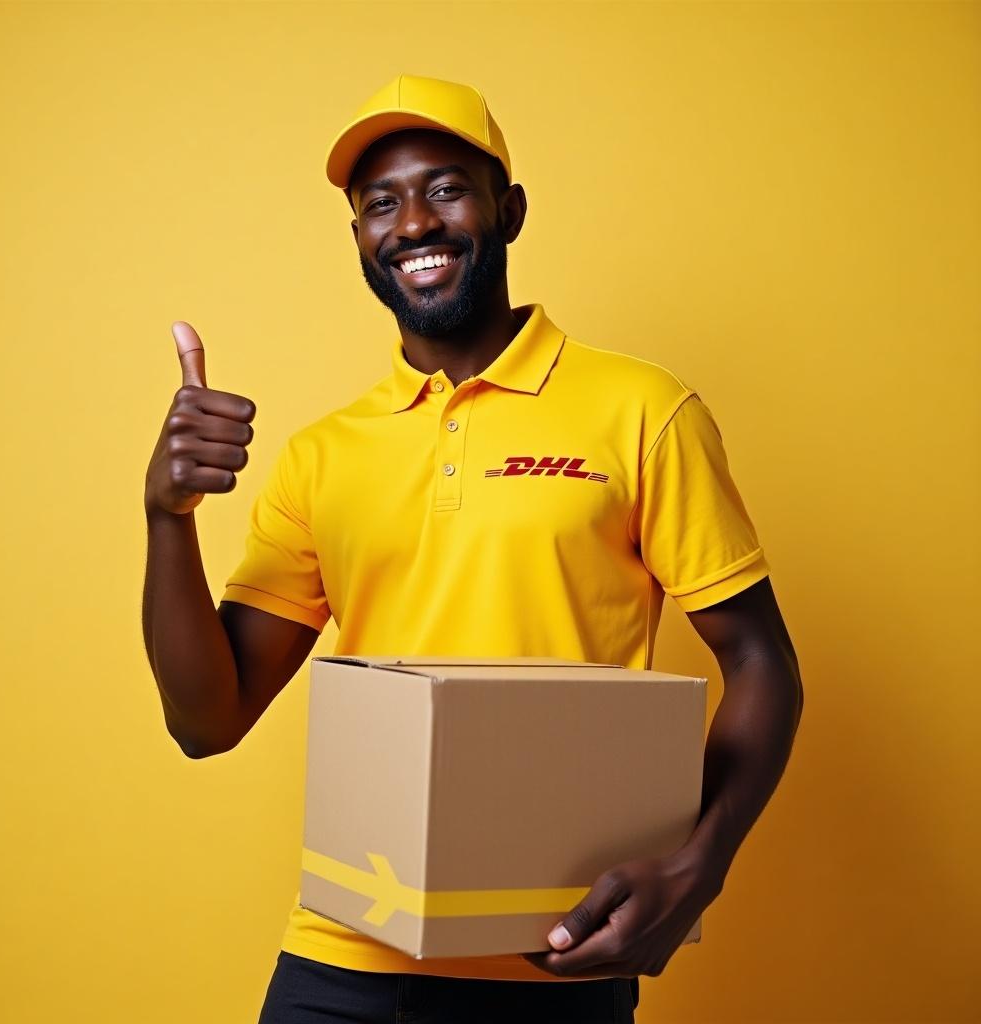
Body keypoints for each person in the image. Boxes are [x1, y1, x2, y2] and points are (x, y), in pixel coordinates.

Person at [142, 74, 804, 1024]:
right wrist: (168, 520)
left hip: (557, 957)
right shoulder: (323, 455)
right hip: (344, 956)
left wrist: (697, 870)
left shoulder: (644, 410)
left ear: (510, 210)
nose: (414, 222)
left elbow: (761, 660)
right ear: (361, 238)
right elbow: (208, 722)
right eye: (380, 203)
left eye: (447, 187)